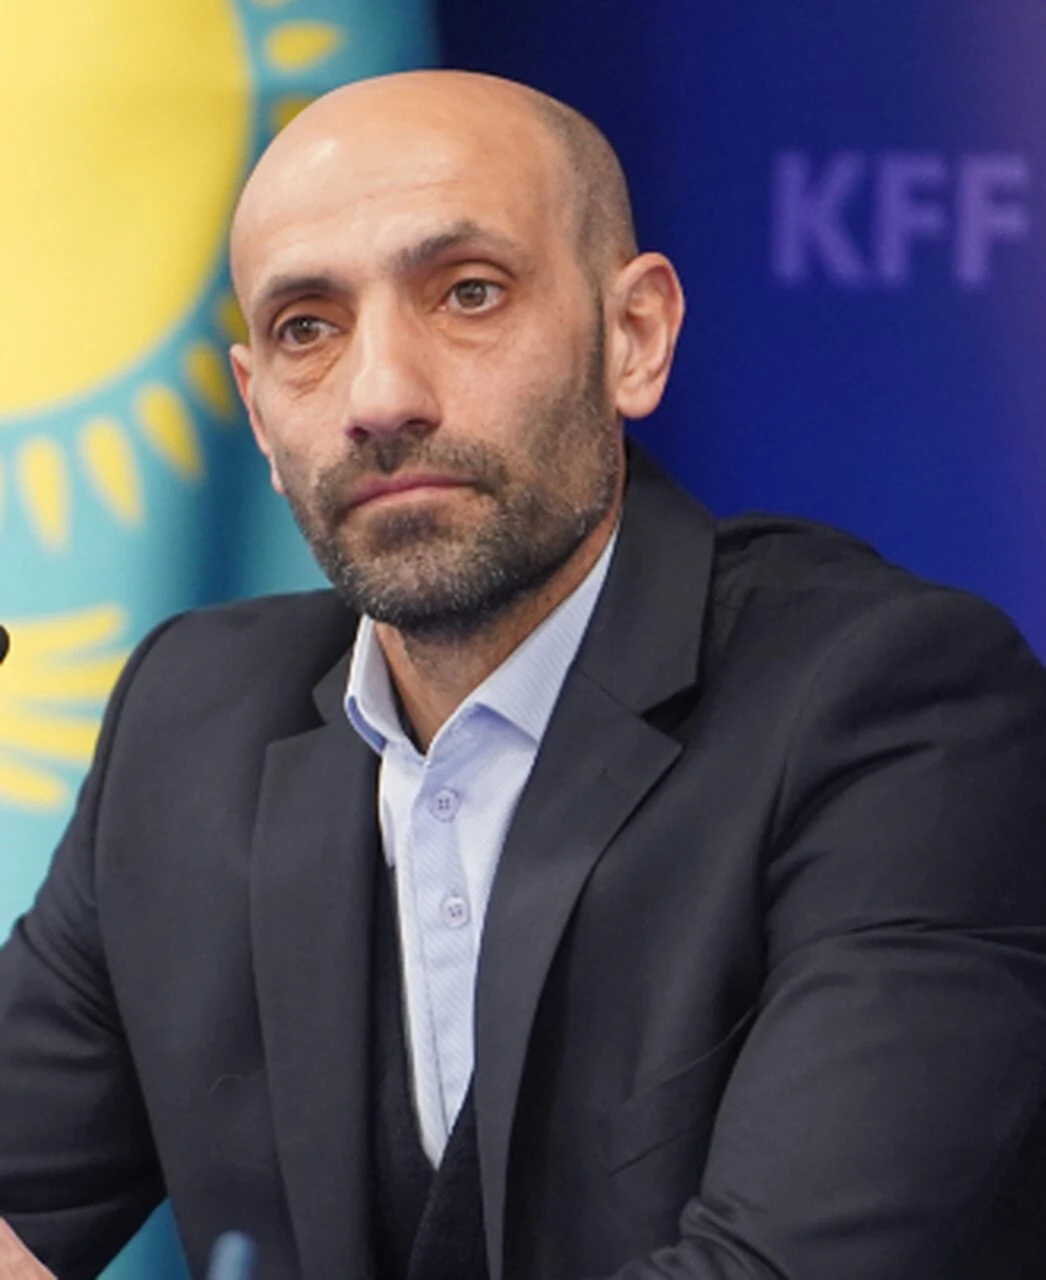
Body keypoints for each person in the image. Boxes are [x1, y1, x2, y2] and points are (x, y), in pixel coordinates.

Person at [1, 68, 1046, 1280]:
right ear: (259, 415)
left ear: (633, 336)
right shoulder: (190, 721)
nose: (379, 397)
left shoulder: (896, 708)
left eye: (468, 293)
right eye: (306, 328)